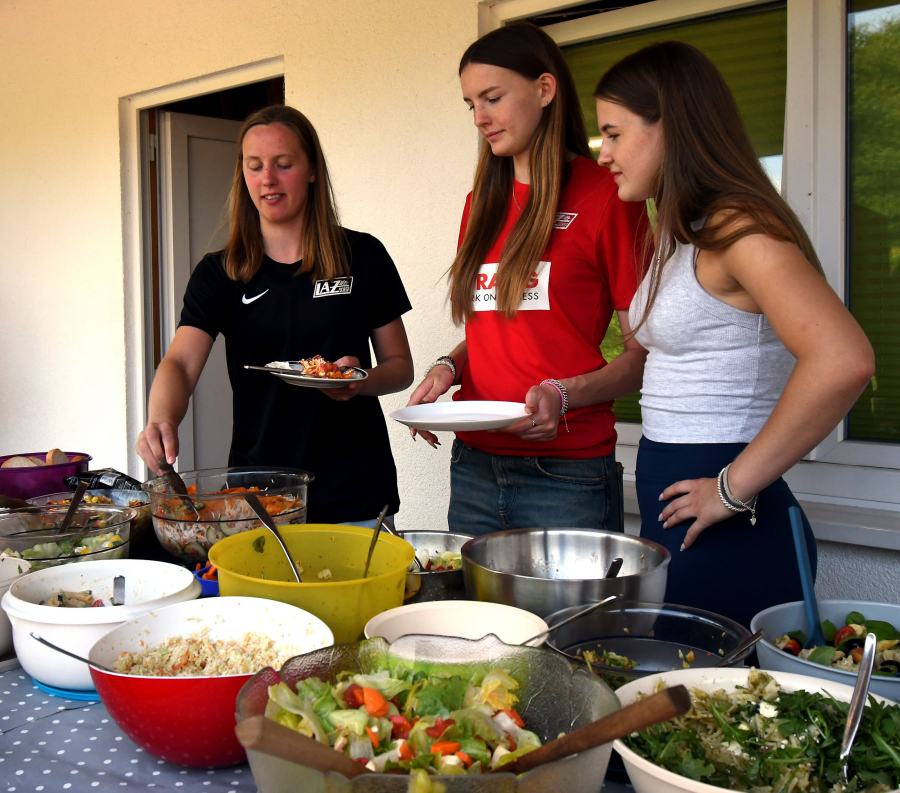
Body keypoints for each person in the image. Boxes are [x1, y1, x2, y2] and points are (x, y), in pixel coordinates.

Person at [594, 42, 875, 627]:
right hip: (683, 504)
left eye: (615, 134)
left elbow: (843, 359)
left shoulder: (738, 229)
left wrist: (729, 489)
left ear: (670, 126)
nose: (605, 155)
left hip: (728, 520)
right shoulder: (688, 233)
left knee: (721, 703)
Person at [407, 23, 649, 536]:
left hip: (567, 474)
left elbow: (643, 357)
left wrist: (564, 395)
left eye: (492, 98)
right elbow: (498, 326)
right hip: (473, 467)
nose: (480, 118)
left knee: (568, 621)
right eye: (470, 104)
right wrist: (448, 367)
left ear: (544, 89)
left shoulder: (608, 195)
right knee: (476, 618)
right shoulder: (481, 205)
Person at [136, 105, 414, 526]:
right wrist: (161, 420)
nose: (268, 178)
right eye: (255, 166)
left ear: (312, 170)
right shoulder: (221, 272)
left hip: (356, 491)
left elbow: (400, 367)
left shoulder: (364, 255)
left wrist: (358, 383)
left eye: (283, 164)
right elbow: (179, 362)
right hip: (259, 495)